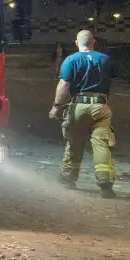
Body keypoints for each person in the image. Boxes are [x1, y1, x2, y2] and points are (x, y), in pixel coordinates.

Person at [49, 30, 117, 198]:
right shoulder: (106, 59)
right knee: (101, 144)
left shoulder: (71, 60)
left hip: (80, 105)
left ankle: (69, 178)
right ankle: (105, 182)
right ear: (93, 42)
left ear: (77, 43)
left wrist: (56, 107)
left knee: (74, 141)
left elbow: (64, 85)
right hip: (101, 106)